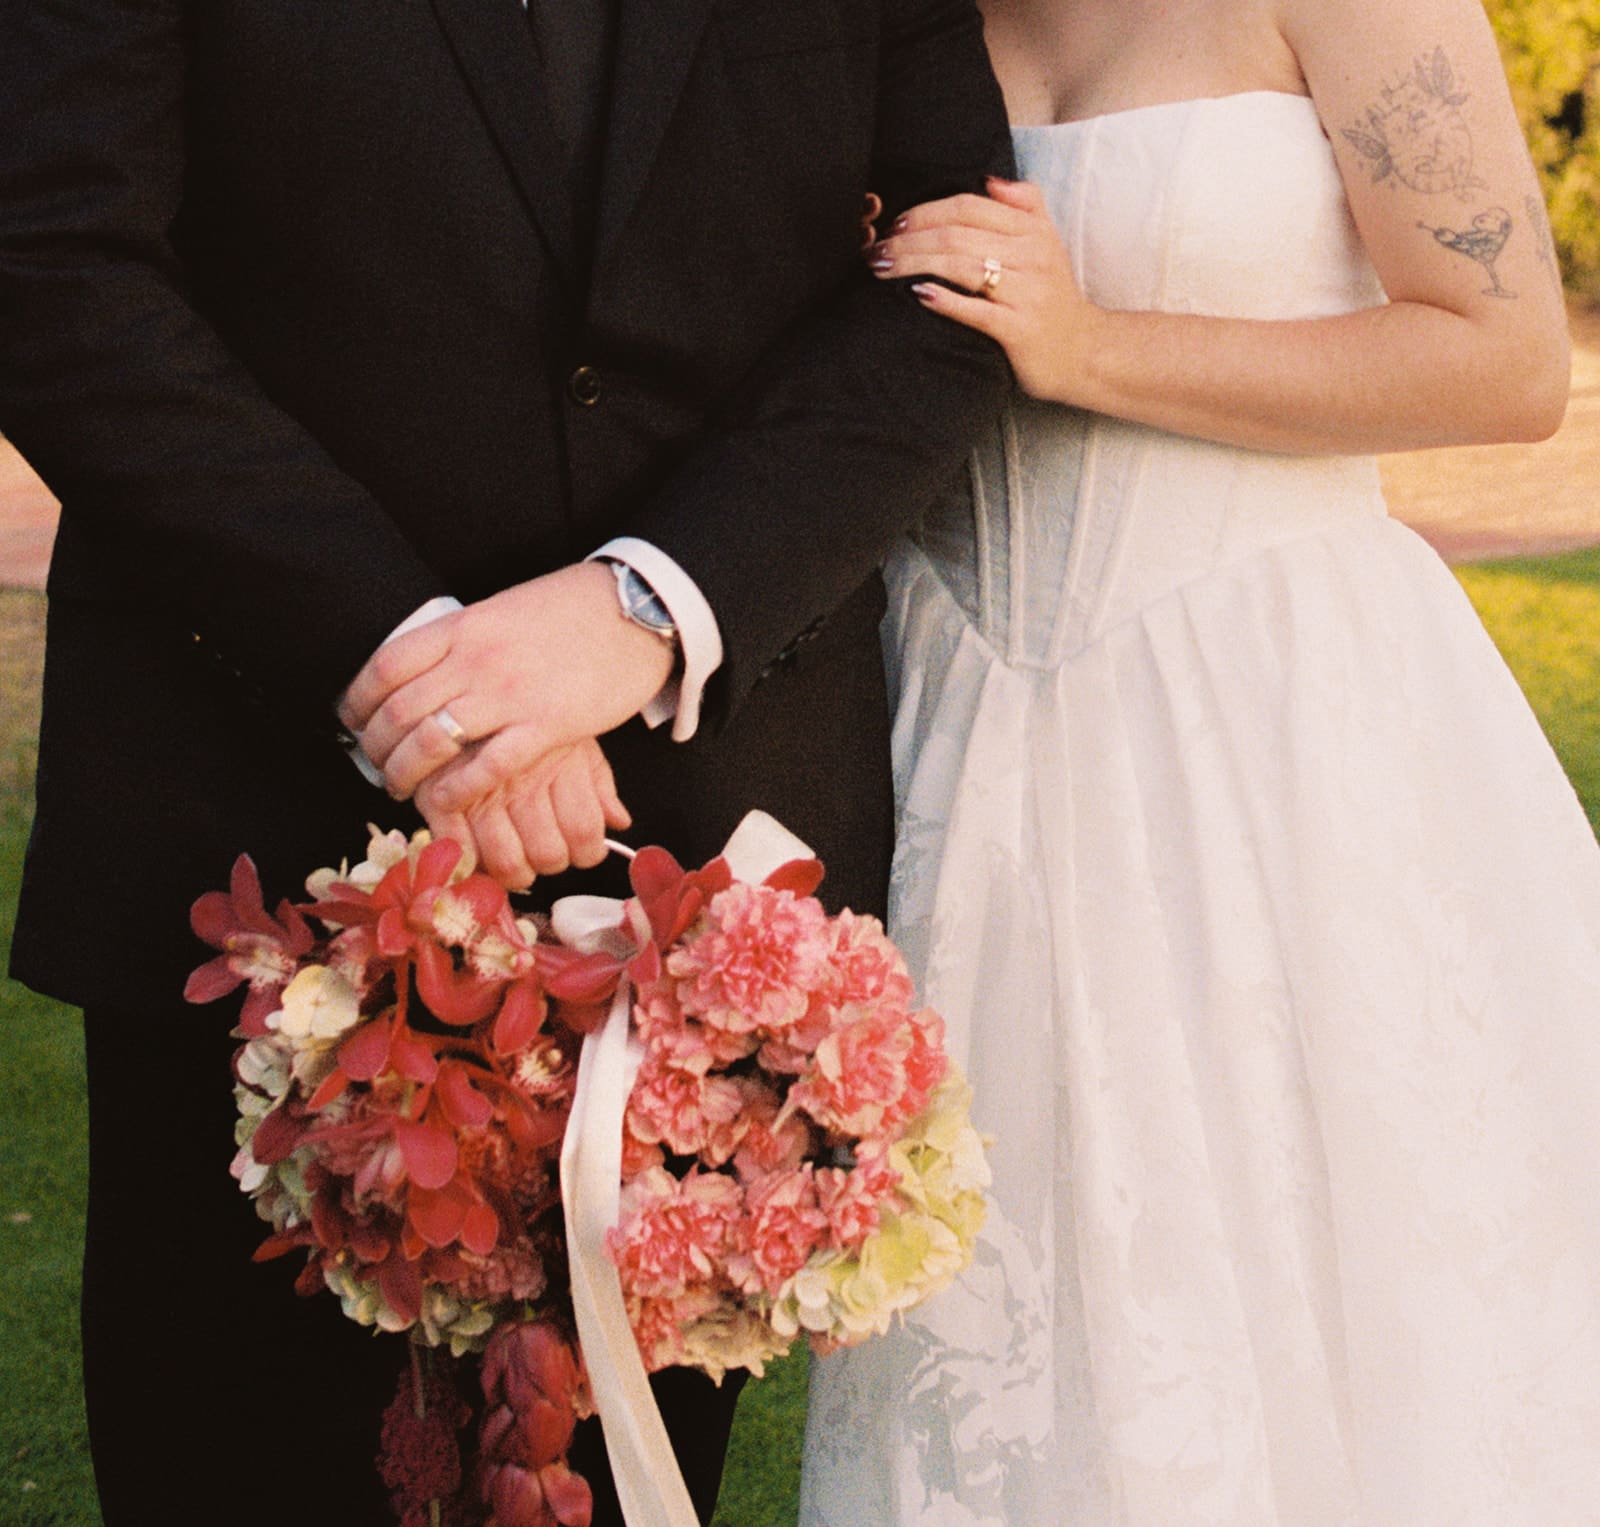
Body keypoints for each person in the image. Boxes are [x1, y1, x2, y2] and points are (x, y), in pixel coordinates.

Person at [0, 2, 1015, 1522]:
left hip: (695, 870)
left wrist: (651, 605)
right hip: (247, 818)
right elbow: (50, 257)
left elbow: (956, 271)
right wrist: (416, 669)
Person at [800, 0, 1600, 1520]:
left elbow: (1504, 365)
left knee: (1313, 1300)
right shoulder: (867, 19)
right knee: (983, 1329)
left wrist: (1090, 345)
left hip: (1259, 727)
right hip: (946, 737)